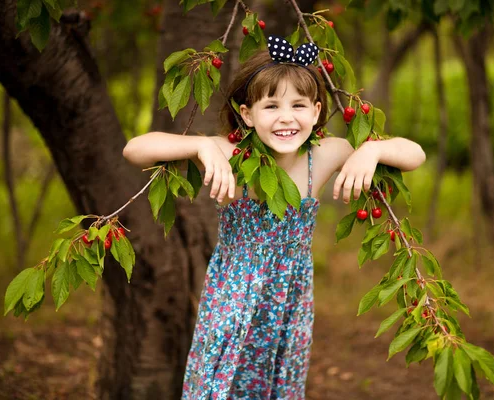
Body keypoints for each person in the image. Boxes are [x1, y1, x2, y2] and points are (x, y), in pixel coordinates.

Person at [122, 35, 426, 399]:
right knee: (220, 380)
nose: (286, 118)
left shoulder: (325, 155)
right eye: (271, 106)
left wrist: (373, 151)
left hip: (290, 300)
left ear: (316, 112)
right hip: (234, 296)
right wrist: (199, 145)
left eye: (298, 105)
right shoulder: (229, 153)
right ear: (247, 115)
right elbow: (134, 149)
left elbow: (416, 154)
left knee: (280, 379)